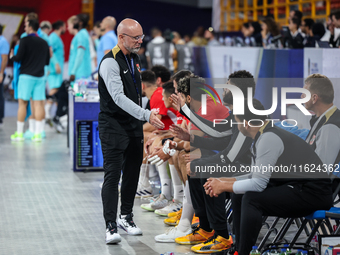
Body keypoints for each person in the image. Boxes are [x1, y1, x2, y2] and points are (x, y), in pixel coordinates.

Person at [203, 99, 333, 255]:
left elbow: (258, 183)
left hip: (313, 194)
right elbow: (257, 174)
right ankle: (237, 248)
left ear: (246, 123)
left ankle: (243, 252)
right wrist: (225, 181)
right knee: (239, 194)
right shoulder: (263, 134)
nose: (235, 127)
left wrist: (223, 186)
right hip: (297, 187)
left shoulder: (268, 138)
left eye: (236, 123)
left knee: (252, 198)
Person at [97, 18, 164, 244]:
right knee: (113, 176)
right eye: (135, 37)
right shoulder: (109, 62)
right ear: (121, 37)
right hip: (113, 126)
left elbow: (136, 94)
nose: (140, 41)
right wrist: (146, 115)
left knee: (132, 174)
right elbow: (118, 98)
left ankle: (126, 217)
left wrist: (148, 112)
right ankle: (110, 226)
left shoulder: (135, 59)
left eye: (141, 36)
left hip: (133, 126)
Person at [10, 19, 50, 142]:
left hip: (26, 76)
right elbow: (47, 61)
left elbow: (19, 57)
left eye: (26, 26)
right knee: (38, 104)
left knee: (23, 103)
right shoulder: (44, 42)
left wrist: (12, 56)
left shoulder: (24, 40)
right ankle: (38, 134)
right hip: (39, 77)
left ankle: (19, 134)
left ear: (31, 27)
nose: (24, 28)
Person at [302, 74, 340, 172]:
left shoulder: (329, 127)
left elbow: (320, 173)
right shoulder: (322, 119)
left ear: (314, 98)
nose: (301, 96)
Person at [45, 20, 66, 124]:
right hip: (54, 69)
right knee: (54, 89)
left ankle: (59, 114)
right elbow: (49, 51)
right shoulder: (53, 37)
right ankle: (46, 111)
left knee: (58, 90)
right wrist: (56, 64)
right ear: (61, 27)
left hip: (57, 69)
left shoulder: (57, 38)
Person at [68, 13, 92, 82]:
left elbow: (80, 54)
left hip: (80, 74)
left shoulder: (82, 34)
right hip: (79, 73)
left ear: (80, 23)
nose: (74, 23)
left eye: (76, 21)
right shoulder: (81, 34)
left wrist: (73, 71)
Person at [0, 24, 9, 128]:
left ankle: (0, 117)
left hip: (0, 72)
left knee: (0, 96)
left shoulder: (3, 41)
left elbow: (5, 58)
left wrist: (1, 73)